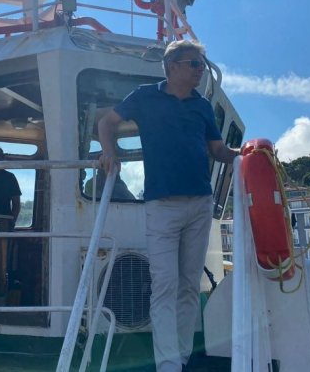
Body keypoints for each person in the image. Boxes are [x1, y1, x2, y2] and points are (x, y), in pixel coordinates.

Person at [98, 40, 240, 372]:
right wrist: (108, 151)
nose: (200, 70)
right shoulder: (144, 96)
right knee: (164, 285)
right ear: (172, 66)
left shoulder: (202, 106)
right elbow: (106, 122)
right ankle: (168, 365)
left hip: (200, 203)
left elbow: (218, 150)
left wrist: (247, 155)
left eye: (202, 65)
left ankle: (182, 358)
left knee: (189, 286)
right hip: (162, 205)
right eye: (195, 64)